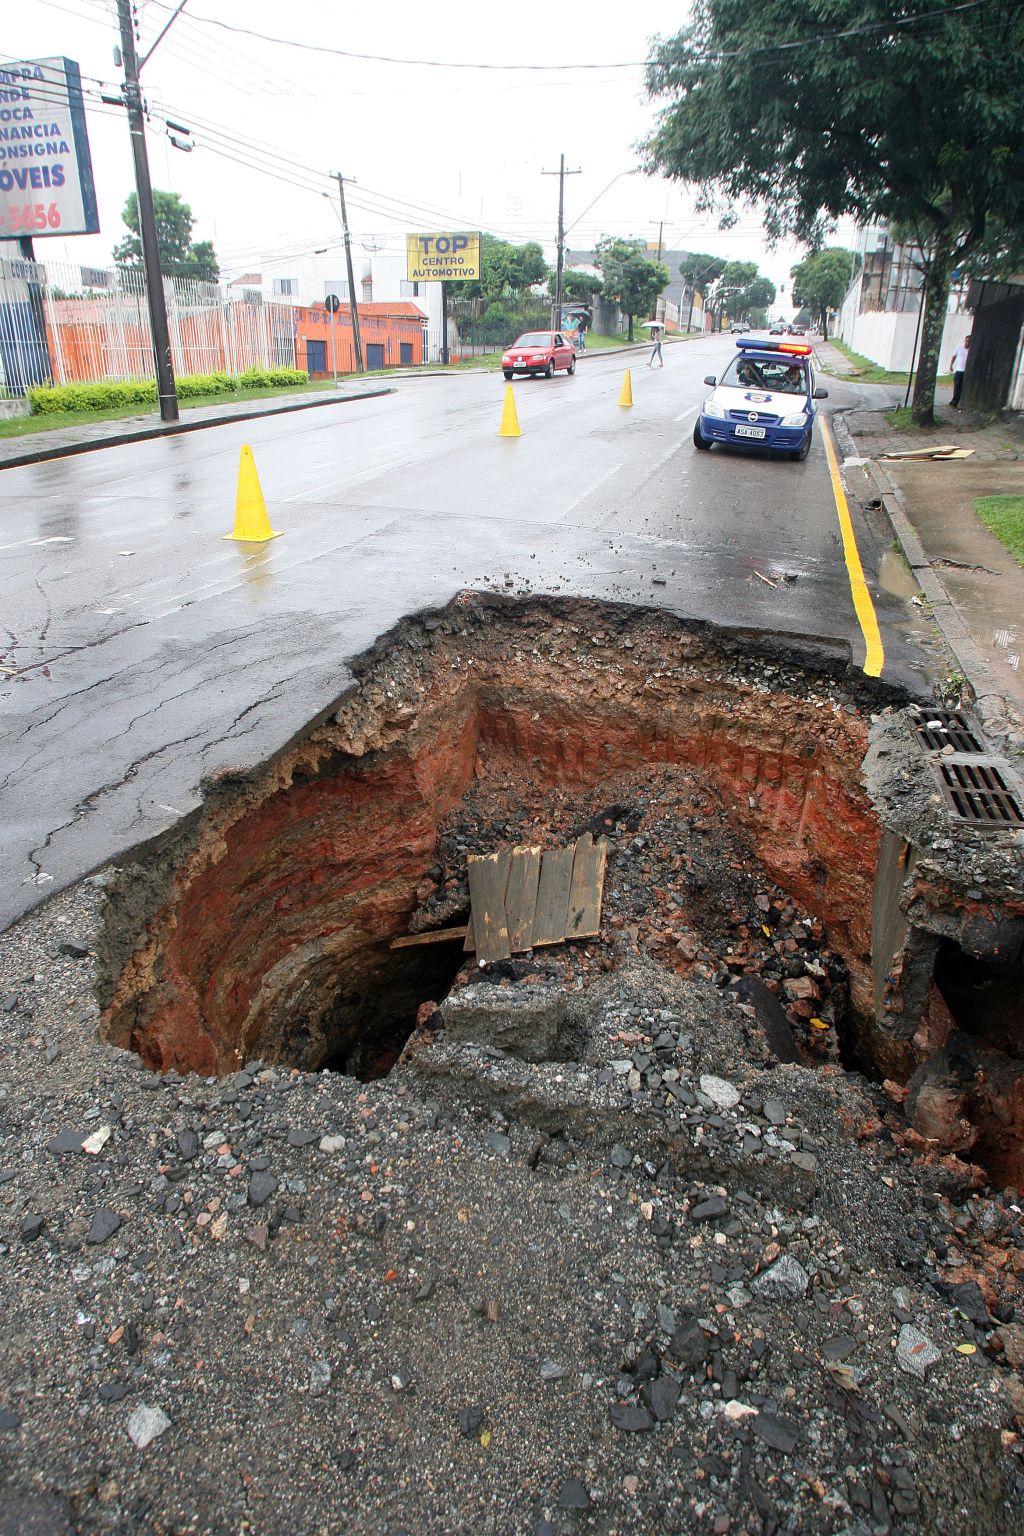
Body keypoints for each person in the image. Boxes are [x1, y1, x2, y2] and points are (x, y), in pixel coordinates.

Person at [949, 334, 971, 409]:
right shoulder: (959, 348)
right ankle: (954, 401)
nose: (967, 343)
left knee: (962, 387)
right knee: (957, 386)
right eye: (966, 341)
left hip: (966, 372)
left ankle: (961, 402)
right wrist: (951, 365)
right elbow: (954, 356)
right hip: (959, 370)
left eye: (969, 341)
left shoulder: (971, 350)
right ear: (965, 341)